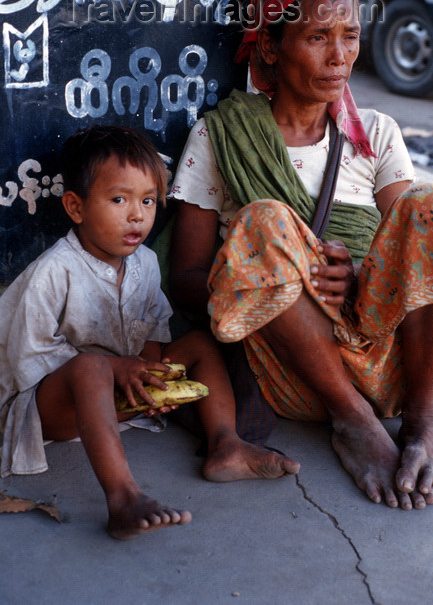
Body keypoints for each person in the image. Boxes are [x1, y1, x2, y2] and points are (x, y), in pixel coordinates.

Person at [170, 0, 433, 510]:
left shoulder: (376, 132)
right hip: (295, 370)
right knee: (264, 222)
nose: (340, 57)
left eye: (350, 36)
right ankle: (353, 422)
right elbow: (183, 277)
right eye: (318, 36)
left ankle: (422, 424)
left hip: (393, 362)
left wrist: (356, 275)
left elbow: (420, 259)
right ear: (271, 48)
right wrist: (273, 275)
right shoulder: (221, 135)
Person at [0, 126, 299, 541]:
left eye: (147, 201)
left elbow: (152, 331)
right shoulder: (53, 272)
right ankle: (123, 497)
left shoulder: (145, 263)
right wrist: (114, 368)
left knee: (199, 343)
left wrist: (149, 371)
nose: (137, 215)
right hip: (48, 408)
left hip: (119, 390)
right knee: (90, 368)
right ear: (75, 206)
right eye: (119, 200)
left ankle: (225, 443)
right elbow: (25, 362)